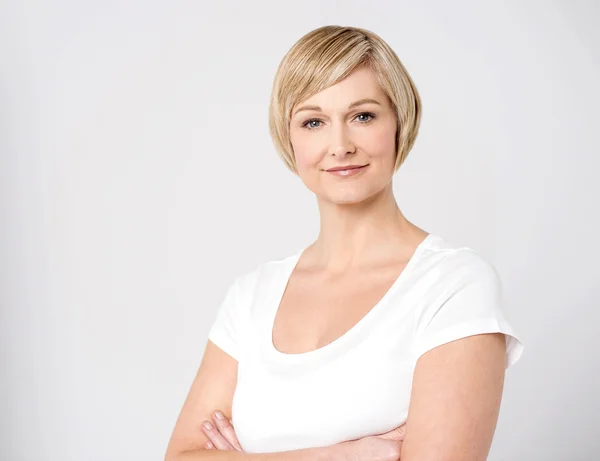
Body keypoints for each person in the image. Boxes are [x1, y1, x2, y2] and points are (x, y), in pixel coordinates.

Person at [164, 25, 524, 461]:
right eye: (313, 122)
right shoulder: (251, 297)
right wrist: (344, 455)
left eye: (363, 116)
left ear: (399, 123)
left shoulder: (452, 287)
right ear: (289, 138)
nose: (339, 146)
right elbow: (182, 456)